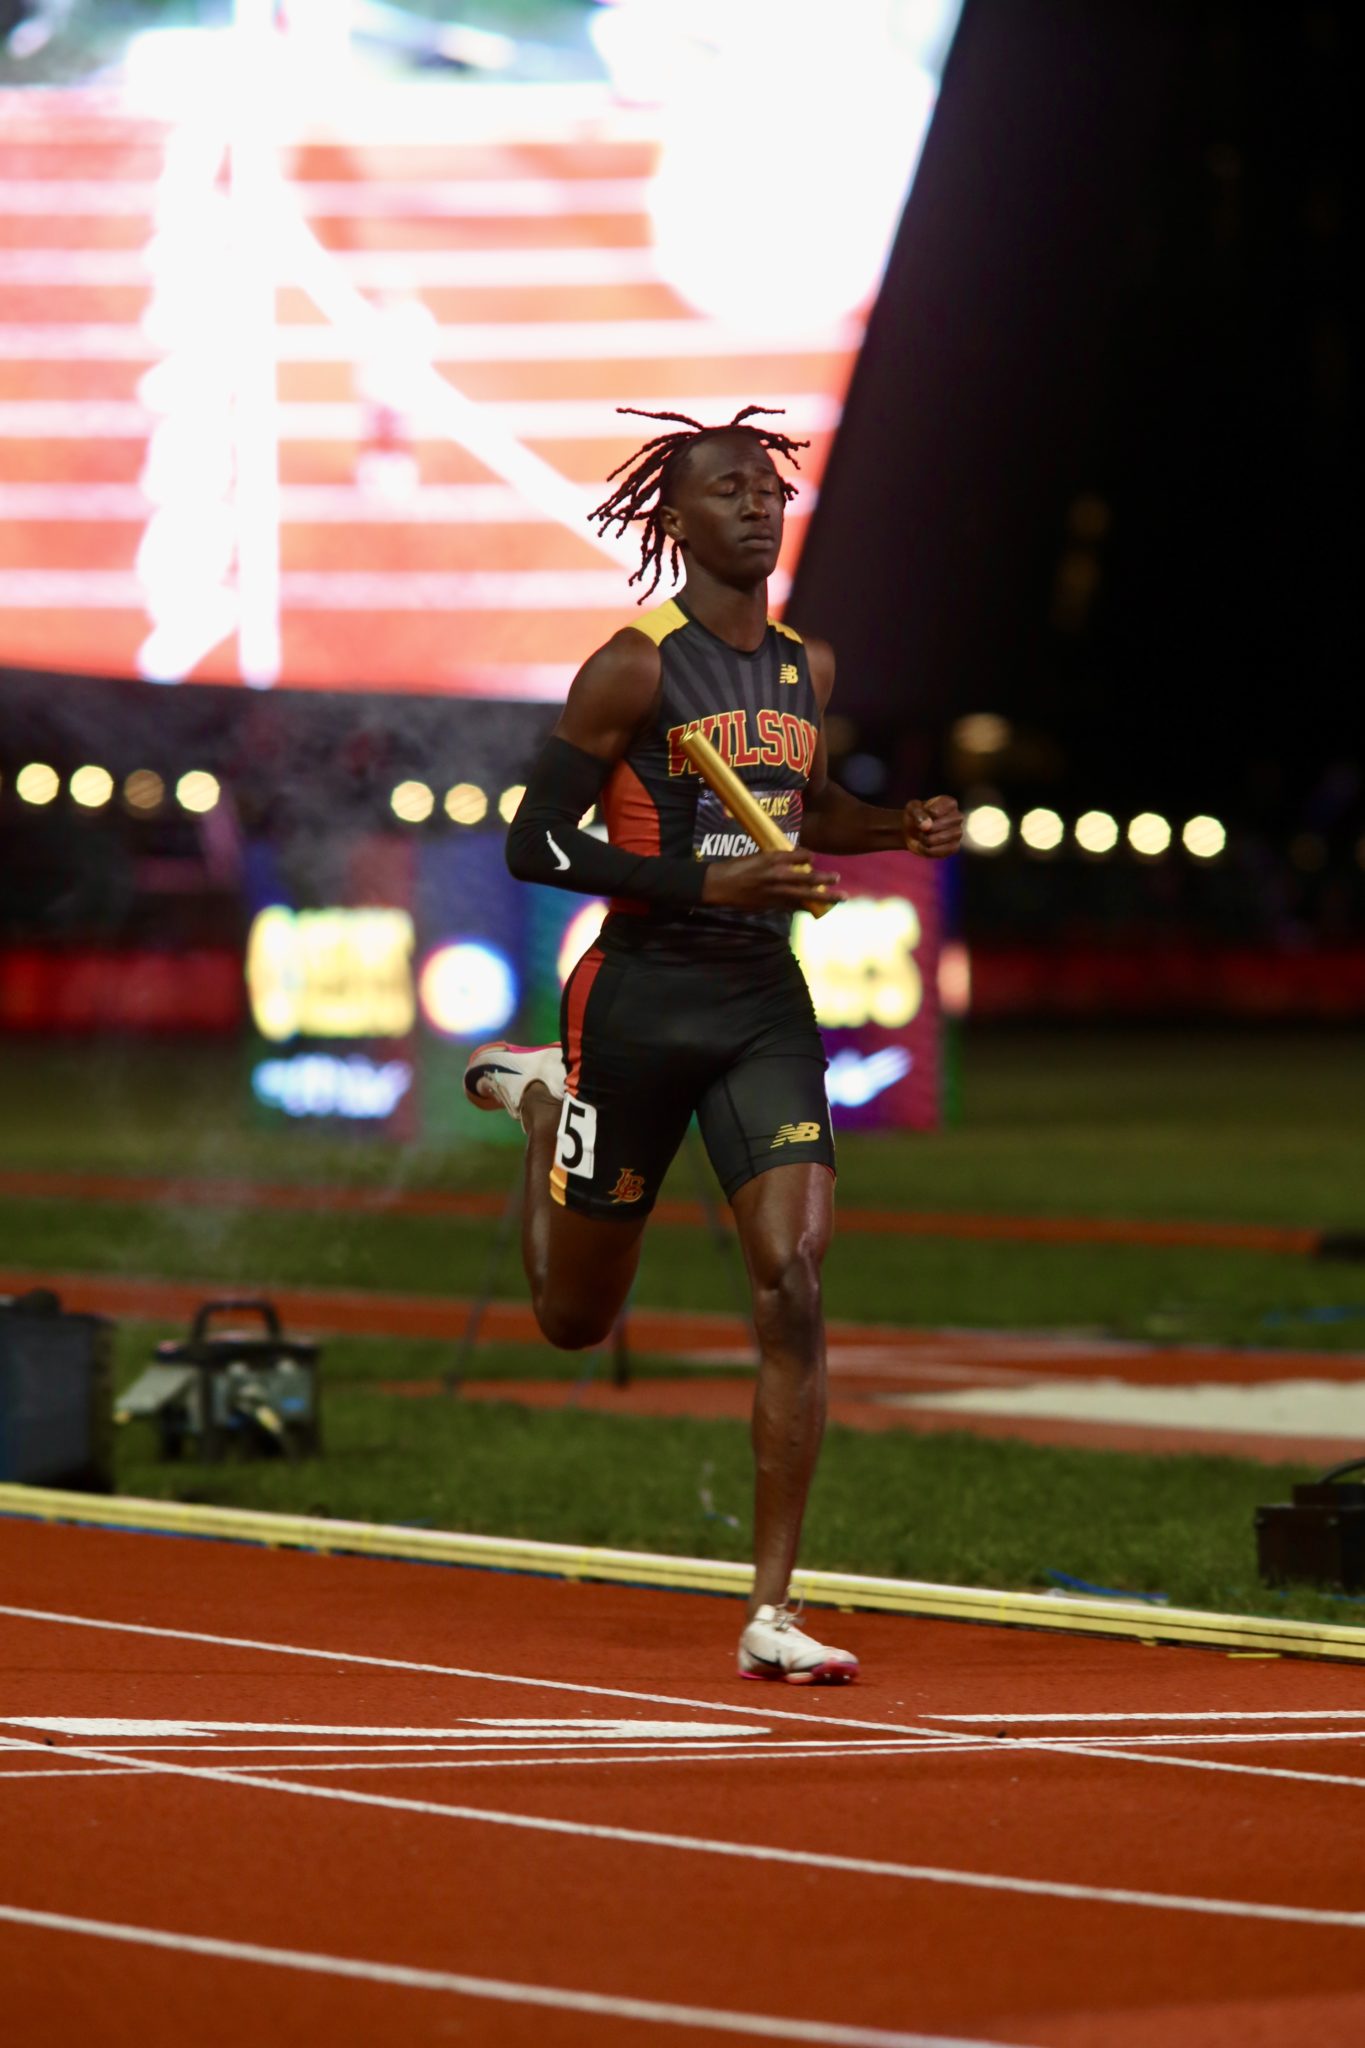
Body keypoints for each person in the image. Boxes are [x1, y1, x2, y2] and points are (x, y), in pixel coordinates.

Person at [465, 405, 963, 1682]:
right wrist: (704, 882)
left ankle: (772, 1610)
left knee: (793, 1274)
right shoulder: (631, 668)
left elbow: (815, 805)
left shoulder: (807, 668)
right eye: (727, 488)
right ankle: (542, 1105)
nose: (755, 502)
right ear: (674, 518)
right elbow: (533, 842)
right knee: (574, 1319)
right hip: (635, 1001)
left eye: (768, 487)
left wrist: (899, 824)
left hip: (759, 1005)